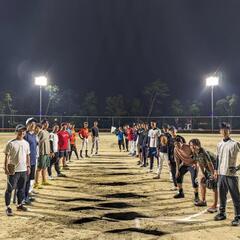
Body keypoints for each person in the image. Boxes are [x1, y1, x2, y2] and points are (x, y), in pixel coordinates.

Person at [214, 123, 240, 226]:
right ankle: (222, 213)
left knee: (235, 197)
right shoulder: (219, 144)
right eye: (222, 130)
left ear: (229, 131)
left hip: (231, 175)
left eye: (226, 130)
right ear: (220, 131)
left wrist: (237, 168)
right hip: (221, 174)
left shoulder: (235, 143)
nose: (224, 132)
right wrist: (216, 170)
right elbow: (217, 158)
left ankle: (238, 217)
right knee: (222, 195)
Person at [4, 124, 30, 216]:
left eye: (24, 131)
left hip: (23, 170)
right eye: (20, 131)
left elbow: (27, 156)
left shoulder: (26, 143)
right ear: (16, 132)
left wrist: (28, 166)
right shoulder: (11, 143)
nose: (22, 132)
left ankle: (19, 205)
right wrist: (6, 167)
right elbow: (6, 156)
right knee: (10, 189)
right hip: (13, 170)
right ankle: (7, 207)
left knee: (21, 189)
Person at [189, 138, 218, 213]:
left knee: (213, 185)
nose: (192, 147)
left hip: (216, 169)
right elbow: (200, 163)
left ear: (198, 145)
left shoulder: (203, 152)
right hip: (208, 169)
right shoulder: (195, 153)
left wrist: (212, 175)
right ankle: (203, 201)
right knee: (202, 181)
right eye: (191, 145)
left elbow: (210, 164)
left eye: (193, 145)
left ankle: (214, 205)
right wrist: (203, 174)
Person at [173, 136, 199, 204]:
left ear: (182, 143)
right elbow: (177, 160)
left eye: (178, 144)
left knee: (194, 179)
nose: (177, 145)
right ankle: (181, 192)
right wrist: (177, 170)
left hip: (192, 164)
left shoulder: (188, 147)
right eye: (175, 144)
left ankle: (196, 196)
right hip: (185, 164)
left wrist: (196, 163)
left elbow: (196, 154)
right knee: (178, 176)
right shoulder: (175, 149)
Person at [23, 118, 38, 205]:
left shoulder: (34, 135)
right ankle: (23, 198)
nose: (33, 125)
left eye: (34, 124)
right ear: (27, 125)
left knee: (29, 180)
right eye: (31, 123)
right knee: (25, 180)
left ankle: (26, 195)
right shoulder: (25, 135)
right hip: (26, 162)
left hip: (33, 160)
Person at [34, 119, 51, 189]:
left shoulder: (47, 132)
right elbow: (37, 141)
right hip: (42, 152)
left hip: (46, 152)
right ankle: (36, 183)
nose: (47, 125)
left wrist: (49, 151)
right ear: (43, 124)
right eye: (46, 123)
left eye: (48, 123)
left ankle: (44, 181)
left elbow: (48, 142)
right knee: (39, 168)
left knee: (45, 167)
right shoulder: (40, 132)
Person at [168, 126, 186, 190]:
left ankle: (180, 186)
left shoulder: (180, 138)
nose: (172, 132)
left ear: (176, 130)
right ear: (169, 132)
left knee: (179, 172)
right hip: (172, 158)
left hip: (180, 158)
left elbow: (185, 148)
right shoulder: (169, 139)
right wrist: (168, 159)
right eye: (170, 131)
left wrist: (184, 158)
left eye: (173, 130)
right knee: (173, 172)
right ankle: (175, 186)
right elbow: (168, 149)